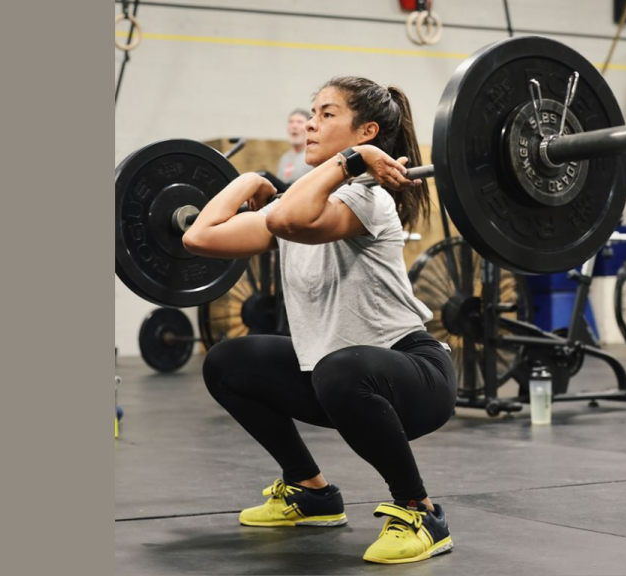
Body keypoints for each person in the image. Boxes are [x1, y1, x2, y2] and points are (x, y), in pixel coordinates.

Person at [183, 77, 457, 564]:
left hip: (414, 375)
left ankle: (422, 512)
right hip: (337, 377)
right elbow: (199, 238)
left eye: (327, 114)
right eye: (312, 112)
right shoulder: (299, 205)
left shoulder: (368, 199)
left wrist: (355, 163)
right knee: (227, 361)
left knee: (340, 367)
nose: (311, 123)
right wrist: (244, 181)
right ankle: (311, 493)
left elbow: (288, 219)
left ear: (365, 131)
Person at [276, 109, 315, 184]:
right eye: (291, 122)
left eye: (300, 122)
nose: (294, 126)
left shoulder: (313, 157)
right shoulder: (284, 158)